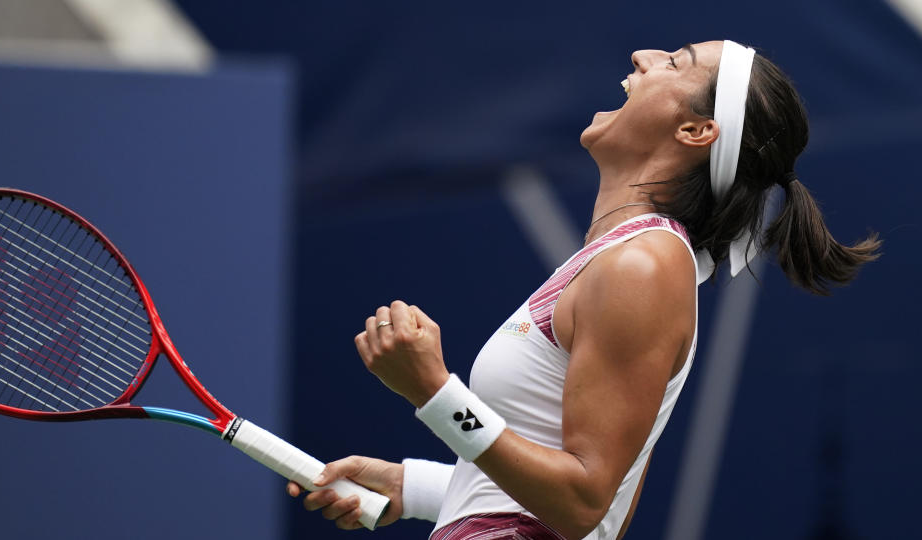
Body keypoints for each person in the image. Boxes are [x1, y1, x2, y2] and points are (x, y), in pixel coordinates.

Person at [286, 40, 880, 540]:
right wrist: (411, 486)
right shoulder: (622, 260)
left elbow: (581, 502)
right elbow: (599, 514)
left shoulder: (643, 266)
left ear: (696, 130)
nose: (643, 55)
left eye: (675, 62)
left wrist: (435, 393)